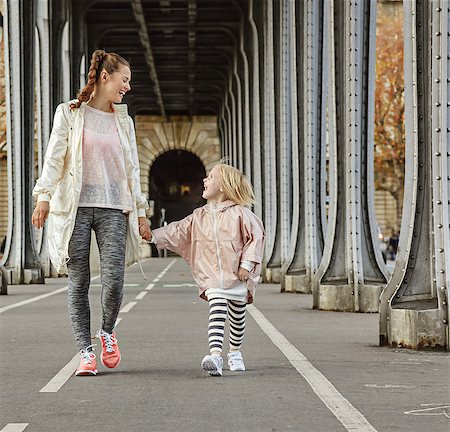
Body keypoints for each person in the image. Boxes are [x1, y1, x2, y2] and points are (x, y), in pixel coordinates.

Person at [31, 49, 151, 376]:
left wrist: (140, 212)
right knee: (79, 281)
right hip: (75, 208)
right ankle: (85, 351)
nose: (127, 86)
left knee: (114, 280)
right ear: (104, 77)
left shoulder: (123, 121)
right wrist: (43, 196)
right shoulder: (69, 113)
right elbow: (55, 158)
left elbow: (132, 169)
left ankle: (107, 332)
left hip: (114, 207)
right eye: (124, 80)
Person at [149, 163, 265, 376]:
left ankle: (235, 352)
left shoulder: (241, 214)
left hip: (237, 275)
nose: (205, 180)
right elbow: (177, 230)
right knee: (217, 310)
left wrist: (246, 265)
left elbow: (255, 238)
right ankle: (215, 355)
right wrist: (153, 235)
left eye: (211, 177)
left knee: (238, 316)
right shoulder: (198, 216)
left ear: (223, 186)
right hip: (212, 276)